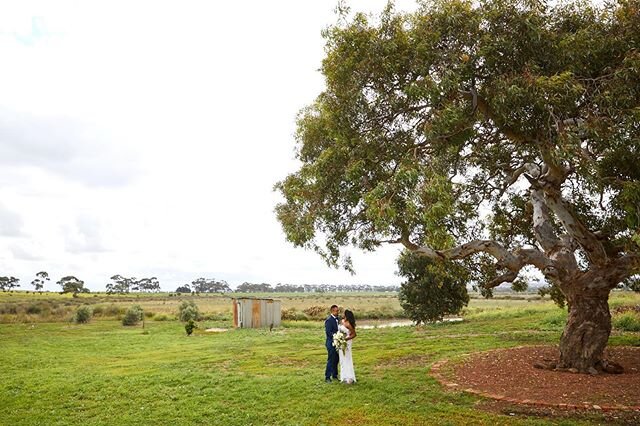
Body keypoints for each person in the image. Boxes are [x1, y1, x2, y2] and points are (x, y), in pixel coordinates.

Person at [338, 309, 357, 384]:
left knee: (347, 358)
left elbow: (354, 334)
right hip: (340, 342)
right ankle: (344, 377)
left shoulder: (349, 324)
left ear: (346, 315)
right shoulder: (342, 321)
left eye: (344, 313)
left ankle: (350, 377)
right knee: (342, 359)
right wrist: (338, 338)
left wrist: (345, 339)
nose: (342, 314)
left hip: (347, 342)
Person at [324, 304, 340, 383]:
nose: (338, 312)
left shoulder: (338, 319)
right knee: (331, 360)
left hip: (338, 343)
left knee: (336, 359)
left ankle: (335, 375)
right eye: (336, 311)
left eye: (338, 311)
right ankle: (327, 377)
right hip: (331, 343)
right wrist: (336, 337)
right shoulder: (329, 320)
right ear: (332, 311)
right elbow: (328, 332)